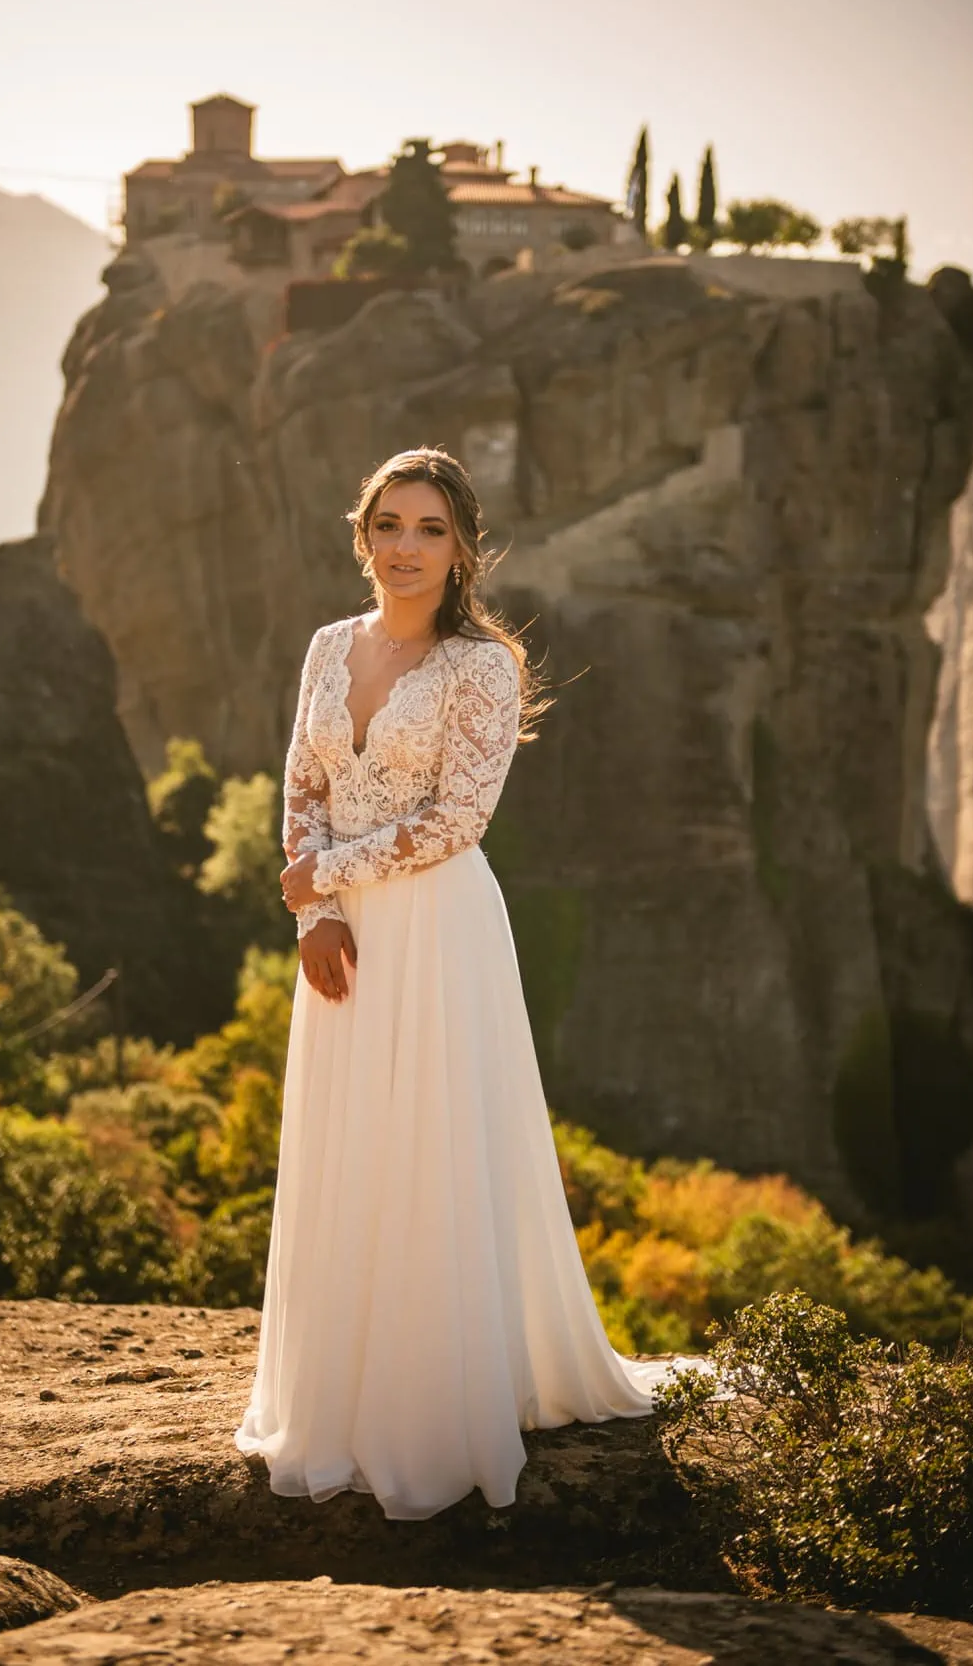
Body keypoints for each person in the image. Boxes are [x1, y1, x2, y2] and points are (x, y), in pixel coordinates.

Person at [233, 446, 691, 1521]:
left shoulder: (481, 665)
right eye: (389, 524)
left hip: (439, 927)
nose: (406, 547)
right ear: (362, 534)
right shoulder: (325, 647)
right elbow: (302, 783)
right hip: (339, 935)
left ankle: (431, 1412)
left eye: (430, 528)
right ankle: (336, 1403)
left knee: (430, 1144)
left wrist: (326, 874)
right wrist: (315, 910)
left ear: (463, 547)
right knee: (352, 1148)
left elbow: (457, 821)